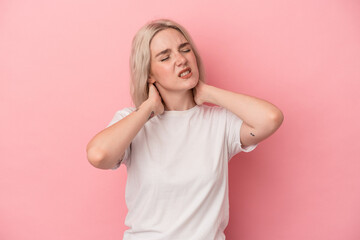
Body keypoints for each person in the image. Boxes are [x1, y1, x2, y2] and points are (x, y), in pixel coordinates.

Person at [86, 18, 284, 240]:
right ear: (149, 74)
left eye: (185, 49)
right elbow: (98, 155)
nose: (181, 60)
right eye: (165, 57)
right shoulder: (133, 122)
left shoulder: (219, 123)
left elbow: (270, 118)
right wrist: (148, 108)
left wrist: (207, 92)